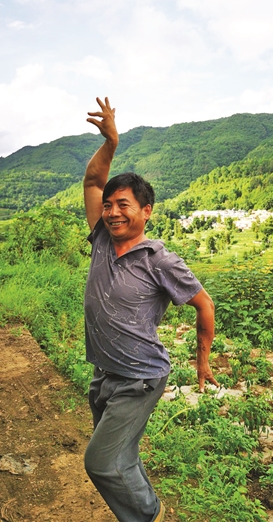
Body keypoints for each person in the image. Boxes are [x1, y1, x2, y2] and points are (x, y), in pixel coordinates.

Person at [83, 97, 219, 522]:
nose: (112, 211)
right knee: (120, 454)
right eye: (109, 205)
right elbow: (92, 180)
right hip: (105, 371)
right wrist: (111, 143)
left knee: (100, 462)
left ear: (146, 211)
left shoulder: (161, 260)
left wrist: (202, 359)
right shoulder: (102, 239)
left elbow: (204, 304)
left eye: (123, 205)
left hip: (140, 378)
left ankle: (147, 516)